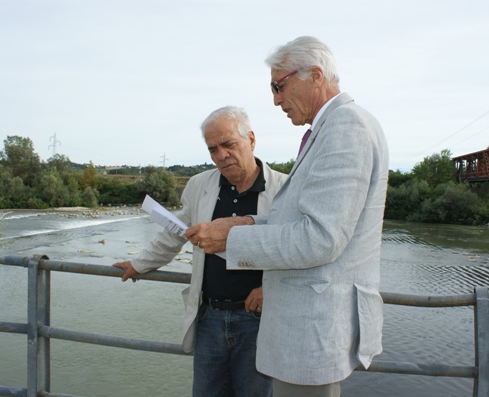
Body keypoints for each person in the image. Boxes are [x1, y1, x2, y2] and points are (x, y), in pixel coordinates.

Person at [186, 36, 389, 397]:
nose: (275, 99)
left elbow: (319, 239)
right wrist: (246, 223)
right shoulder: (330, 128)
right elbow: (306, 221)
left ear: (314, 75)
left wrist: (230, 239)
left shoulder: (346, 127)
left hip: (312, 332)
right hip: (308, 329)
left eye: (279, 86)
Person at [113, 106, 287, 397]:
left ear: (252, 140)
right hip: (209, 316)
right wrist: (138, 264)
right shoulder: (199, 185)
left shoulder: (285, 188)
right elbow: (173, 234)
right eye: (213, 149)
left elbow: (299, 249)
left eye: (228, 144)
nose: (221, 155)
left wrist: (271, 285)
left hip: (260, 320)